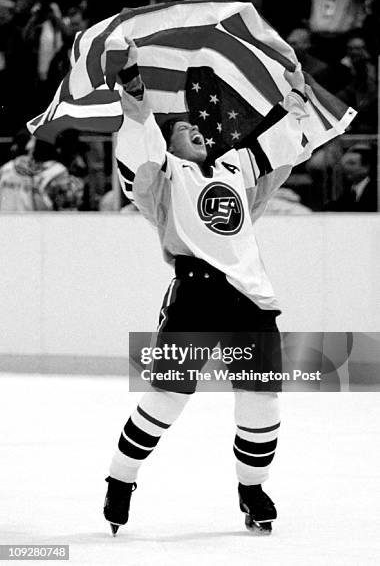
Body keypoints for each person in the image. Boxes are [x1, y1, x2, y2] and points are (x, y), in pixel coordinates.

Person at [103, 38, 312, 536]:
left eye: (197, 126)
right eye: (181, 129)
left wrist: (295, 98)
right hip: (194, 297)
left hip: (253, 302)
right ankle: (120, 478)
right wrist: (133, 83)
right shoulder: (163, 180)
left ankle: (252, 489)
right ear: (168, 146)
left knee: (262, 400)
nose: (194, 129)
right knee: (167, 399)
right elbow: (140, 138)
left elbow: (278, 148)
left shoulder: (237, 166)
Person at [0, 135, 83, 211]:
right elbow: (67, 209)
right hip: (34, 223)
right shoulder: (57, 171)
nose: (28, 146)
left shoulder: (8, 167)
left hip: (7, 222)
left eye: (32, 140)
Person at [324, 144, 377, 211]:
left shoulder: (375, 190)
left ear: (366, 167)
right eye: (344, 164)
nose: (346, 168)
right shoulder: (348, 191)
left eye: (352, 163)